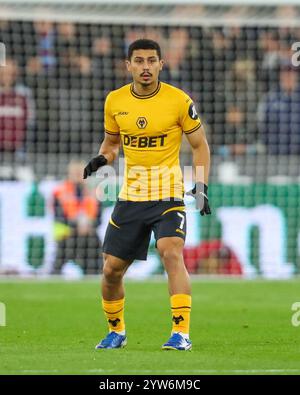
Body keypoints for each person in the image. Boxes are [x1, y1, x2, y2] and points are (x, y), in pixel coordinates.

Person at [84, 39, 211, 351]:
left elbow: (200, 146)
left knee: (170, 251)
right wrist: (103, 159)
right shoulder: (115, 101)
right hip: (131, 197)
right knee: (111, 269)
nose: (145, 67)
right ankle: (117, 331)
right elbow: (111, 144)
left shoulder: (179, 101)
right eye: (138, 61)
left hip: (168, 194)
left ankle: (181, 333)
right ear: (128, 65)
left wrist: (201, 186)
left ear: (161, 64)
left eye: (151, 61)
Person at [52, 160, 102, 275]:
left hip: (88, 235)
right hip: (66, 235)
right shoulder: (59, 192)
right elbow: (58, 217)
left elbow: (99, 219)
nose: (78, 175)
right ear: (69, 173)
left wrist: (88, 225)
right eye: (75, 172)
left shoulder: (93, 192)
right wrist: (77, 225)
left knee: (96, 255)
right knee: (59, 262)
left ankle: (95, 276)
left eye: (81, 172)